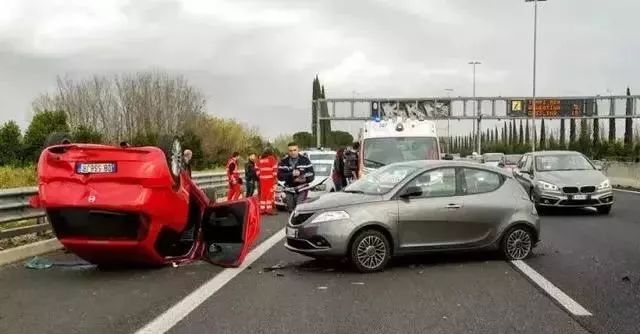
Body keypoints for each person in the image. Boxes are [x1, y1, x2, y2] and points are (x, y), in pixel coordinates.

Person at [277, 142, 314, 212]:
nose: (293, 152)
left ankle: (301, 221)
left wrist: (302, 177)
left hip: (302, 189)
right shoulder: (284, 162)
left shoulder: (305, 160)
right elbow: (280, 176)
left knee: (299, 209)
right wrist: (291, 174)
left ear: (298, 150)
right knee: (291, 211)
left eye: (294, 150)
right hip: (289, 190)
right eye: (290, 151)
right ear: (288, 151)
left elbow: (312, 175)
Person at [256, 148, 278, 215]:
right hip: (269, 179)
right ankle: (269, 209)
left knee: (263, 194)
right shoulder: (271, 159)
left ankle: (262, 209)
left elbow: (256, 167)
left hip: (262, 179)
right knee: (269, 194)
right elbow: (275, 168)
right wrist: (274, 177)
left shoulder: (260, 159)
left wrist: (259, 175)